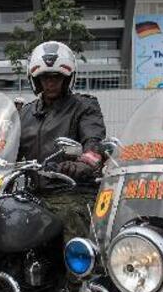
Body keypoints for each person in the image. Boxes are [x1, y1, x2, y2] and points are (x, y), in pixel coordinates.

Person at [18, 41, 106, 245]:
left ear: (67, 79)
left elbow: (93, 142)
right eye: (45, 77)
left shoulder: (84, 107)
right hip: (34, 193)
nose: (50, 83)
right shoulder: (25, 113)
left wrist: (80, 164)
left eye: (57, 77)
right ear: (36, 80)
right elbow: (9, 148)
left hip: (71, 192)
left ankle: (81, 276)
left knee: (73, 220)